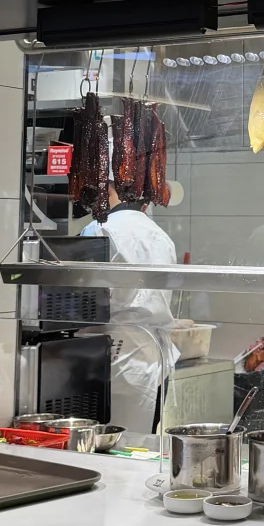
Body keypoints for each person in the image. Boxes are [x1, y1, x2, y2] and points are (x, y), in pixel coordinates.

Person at [80, 181, 177, 434]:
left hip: (114, 352)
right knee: (141, 441)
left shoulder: (100, 229)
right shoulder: (160, 234)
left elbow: (79, 295)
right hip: (155, 354)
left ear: (108, 189)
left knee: (107, 439)